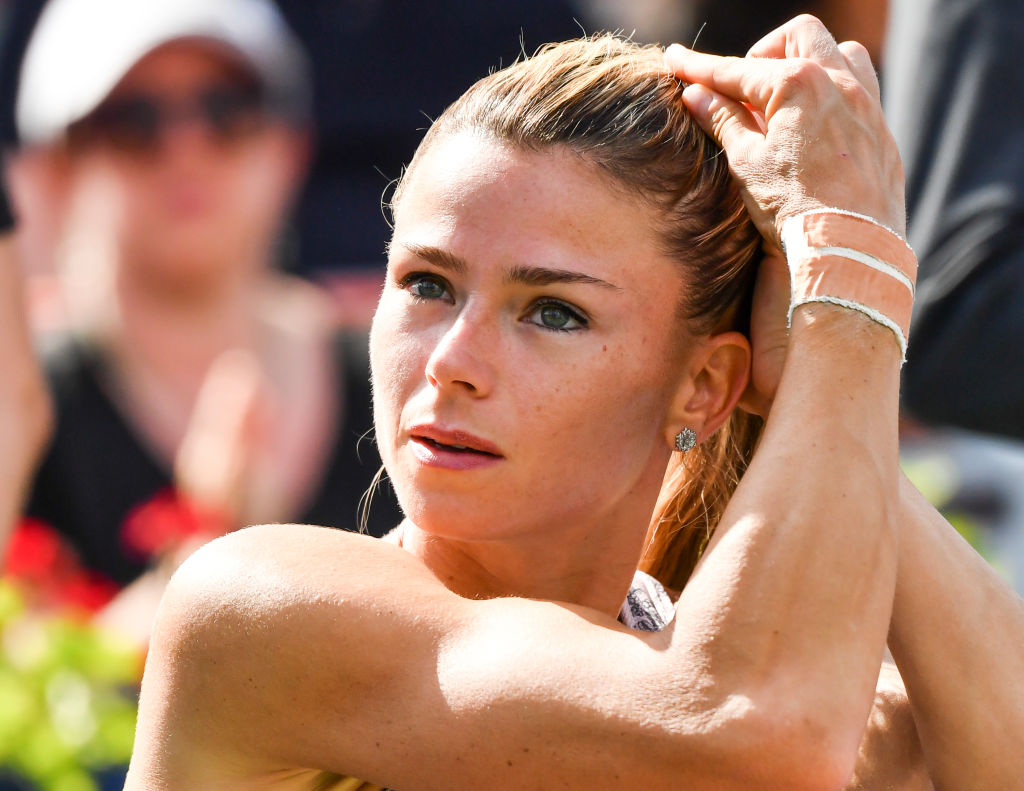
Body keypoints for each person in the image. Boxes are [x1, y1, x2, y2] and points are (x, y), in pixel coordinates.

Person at [122, 16, 1021, 790]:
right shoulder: (260, 608)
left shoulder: (773, 675)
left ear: (706, 385)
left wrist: (811, 376)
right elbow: (750, 733)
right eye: (428, 284)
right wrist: (850, 283)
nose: (452, 362)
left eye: (553, 311)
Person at [5, 0, 400, 634]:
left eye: (227, 110)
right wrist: (204, 550)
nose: (188, 149)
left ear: (290, 144)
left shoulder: (405, 375)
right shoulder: (21, 409)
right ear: (55, 170)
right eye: (135, 121)